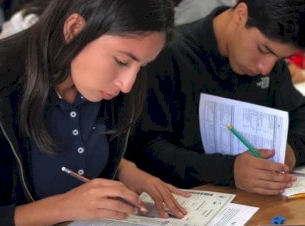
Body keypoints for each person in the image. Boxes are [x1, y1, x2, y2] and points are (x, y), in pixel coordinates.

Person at [0, 0, 190, 225]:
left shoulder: (107, 88)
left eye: (141, 66)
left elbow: (73, 149)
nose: (128, 84)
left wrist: (123, 168)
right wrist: (62, 207)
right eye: (121, 61)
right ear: (74, 29)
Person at [127, 0, 305, 196]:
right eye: (263, 50)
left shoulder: (270, 62)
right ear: (240, 14)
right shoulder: (167, 55)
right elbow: (145, 150)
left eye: (280, 59)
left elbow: (301, 114)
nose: (266, 68)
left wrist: (291, 151)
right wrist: (228, 170)